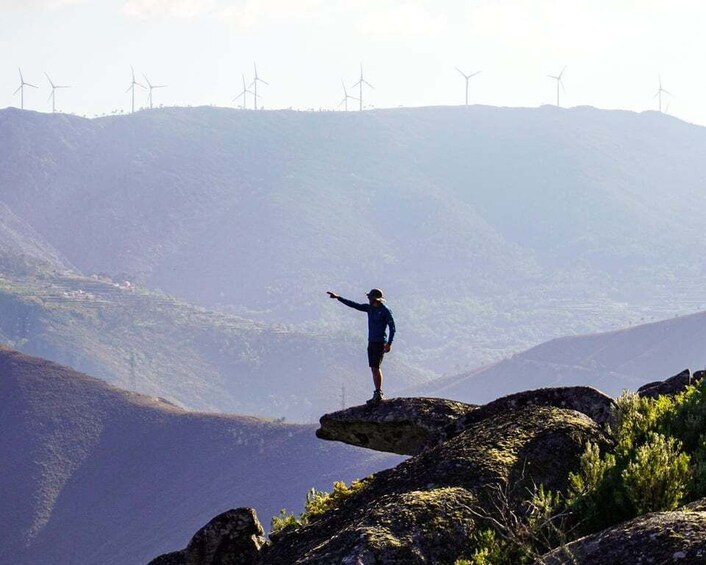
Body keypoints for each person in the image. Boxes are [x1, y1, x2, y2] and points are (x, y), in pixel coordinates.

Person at [327, 288, 396, 404]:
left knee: (376, 367)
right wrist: (338, 298)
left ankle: (379, 393)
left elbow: (392, 328)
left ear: (375, 298)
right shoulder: (370, 308)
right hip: (371, 341)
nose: (368, 299)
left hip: (380, 342)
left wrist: (389, 343)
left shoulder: (385, 310)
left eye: (369, 297)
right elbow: (354, 305)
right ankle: (377, 393)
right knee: (373, 368)